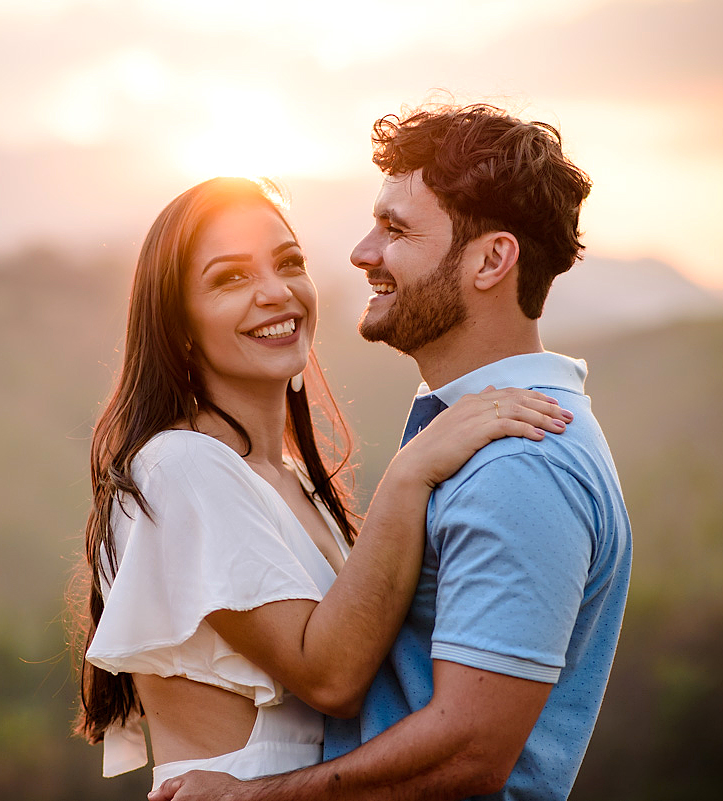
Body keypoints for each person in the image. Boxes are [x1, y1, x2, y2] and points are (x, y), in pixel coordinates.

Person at [150, 105, 632, 801]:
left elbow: (469, 752)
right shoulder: (471, 438)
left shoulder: (521, 463)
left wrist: (253, 795)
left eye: (396, 229)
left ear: (491, 260)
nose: (361, 252)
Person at [70, 176, 574, 790]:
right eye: (230, 278)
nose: (275, 292)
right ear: (178, 323)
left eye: (288, 263)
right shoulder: (181, 467)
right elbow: (331, 677)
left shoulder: (288, 477)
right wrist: (411, 472)